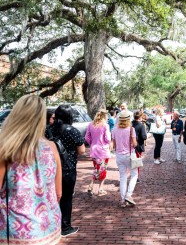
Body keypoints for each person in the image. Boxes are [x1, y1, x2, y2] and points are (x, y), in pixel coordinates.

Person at [0, 95, 62, 245]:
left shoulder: (6, 149)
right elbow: (58, 193)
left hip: (15, 230)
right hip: (49, 228)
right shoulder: (52, 148)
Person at [47, 104, 85, 237]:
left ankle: (50, 224)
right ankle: (65, 226)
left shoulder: (48, 130)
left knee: (51, 197)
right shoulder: (73, 131)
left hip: (50, 169)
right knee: (66, 198)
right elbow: (81, 150)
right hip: (68, 169)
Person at [112, 110, 138, 207]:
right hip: (130, 155)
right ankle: (128, 195)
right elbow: (135, 144)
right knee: (134, 174)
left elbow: (114, 144)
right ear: (128, 119)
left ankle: (123, 200)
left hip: (119, 155)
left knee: (122, 177)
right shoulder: (131, 129)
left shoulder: (114, 129)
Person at [85, 109, 111, 196]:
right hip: (103, 150)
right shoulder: (105, 125)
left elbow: (87, 137)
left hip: (94, 149)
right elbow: (108, 138)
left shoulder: (90, 124)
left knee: (97, 169)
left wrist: (92, 143)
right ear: (105, 116)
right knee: (102, 170)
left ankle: (91, 186)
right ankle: (100, 188)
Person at [132, 111, 147, 183]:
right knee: (137, 163)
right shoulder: (141, 125)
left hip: (130, 146)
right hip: (138, 146)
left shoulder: (130, 124)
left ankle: (132, 176)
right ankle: (136, 177)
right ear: (140, 117)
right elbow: (144, 137)